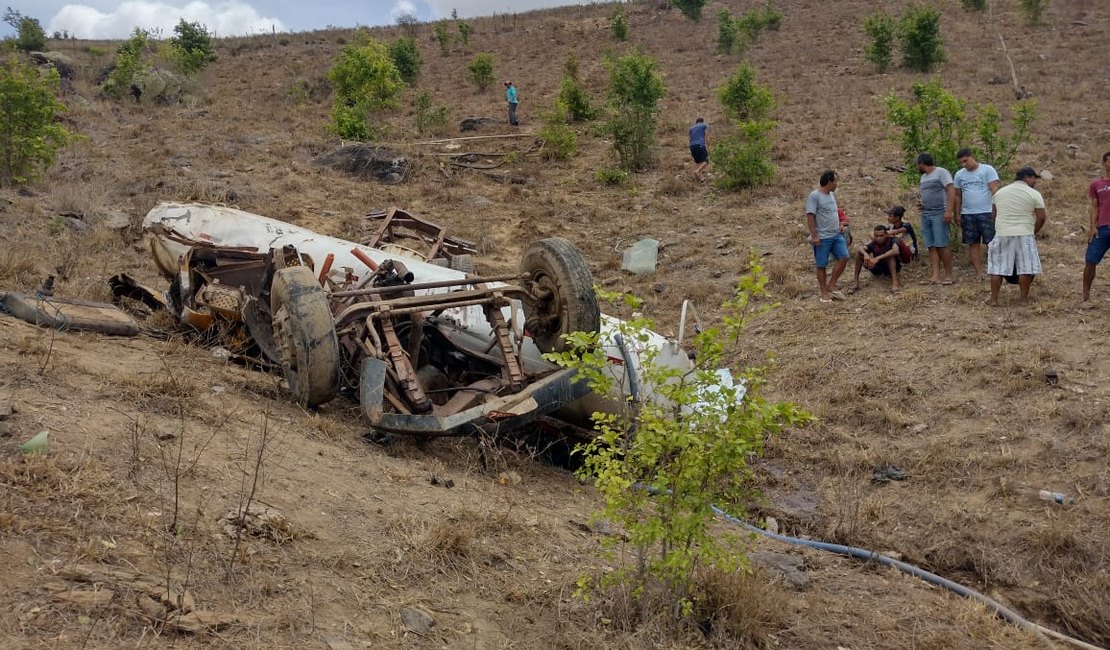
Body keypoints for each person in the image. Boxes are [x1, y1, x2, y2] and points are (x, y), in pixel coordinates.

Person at [987, 167, 1047, 305]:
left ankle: (994, 299)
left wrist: (1001, 227)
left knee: (997, 268)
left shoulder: (999, 193)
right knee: (1025, 268)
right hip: (1024, 232)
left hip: (1002, 233)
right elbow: (1041, 217)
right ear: (1027, 177)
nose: (1035, 182)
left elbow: (994, 215)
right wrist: (1033, 231)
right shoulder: (1034, 194)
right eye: (1034, 178)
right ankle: (1023, 299)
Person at [953, 148, 1000, 282]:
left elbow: (994, 190)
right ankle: (979, 273)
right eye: (961, 162)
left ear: (972, 157)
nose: (964, 164)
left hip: (986, 211)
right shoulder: (959, 174)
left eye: (965, 161)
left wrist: (995, 208)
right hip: (968, 213)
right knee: (972, 243)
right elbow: (957, 195)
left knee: (992, 242)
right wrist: (957, 213)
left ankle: (996, 271)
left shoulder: (987, 170)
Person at [805, 170, 849, 302]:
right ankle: (823, 292)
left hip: (836, 234)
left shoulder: (831, 195)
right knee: (822, 265)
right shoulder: (814, 196)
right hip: (823, 237)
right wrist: (814, 235)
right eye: (835, 181)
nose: (836, 185)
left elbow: (832, 212)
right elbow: (810, 216)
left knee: (844, 257)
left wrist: (840, 224)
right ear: (829, 182)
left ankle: (832, 284)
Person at [916, 152, 957, 285]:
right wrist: (922, 203)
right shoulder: (923, 177)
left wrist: (949, 211)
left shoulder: (941, 172)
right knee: (931, 245)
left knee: (941, 244)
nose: (917, 167)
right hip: (926, 213)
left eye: (917, 164)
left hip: (939, 213)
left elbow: (951, 190)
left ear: (922, 163)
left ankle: (949, 274)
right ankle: (935, 275)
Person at [1082, 151, 1110, 302]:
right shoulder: (1096, 184)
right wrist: (1093, 227)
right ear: (1104, 163)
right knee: (1091, 260)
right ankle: (1085, 294)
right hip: (1103, 228)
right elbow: (1095, 206)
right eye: (1109, 160)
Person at [852, 225, 902, 292]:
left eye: (881, 236)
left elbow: (896, 250)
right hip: (877, 267)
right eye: (877, 236)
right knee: (860, 255)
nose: (879, 238)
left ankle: (895, 283)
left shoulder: (892, 240)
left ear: (886, 235)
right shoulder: (874, 243)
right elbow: (860, 248)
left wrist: (878, 258)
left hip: (892, 267)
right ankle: (856, 282)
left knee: (890, 256)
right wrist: (865, 254)